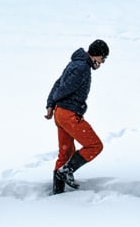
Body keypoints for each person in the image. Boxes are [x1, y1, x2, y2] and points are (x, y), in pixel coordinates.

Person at [45, 39, 109, 194]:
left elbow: (57, 83)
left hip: (60, 113)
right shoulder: (82, 68)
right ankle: (66, 171)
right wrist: (55, 100)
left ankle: (57, 193)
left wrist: (51, 104)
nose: (102, 62)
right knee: (95, 145)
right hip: (69, 114)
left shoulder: (75, 63)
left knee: (65, 152)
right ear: (97, 55)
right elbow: (64, 88)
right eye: (103, 59)